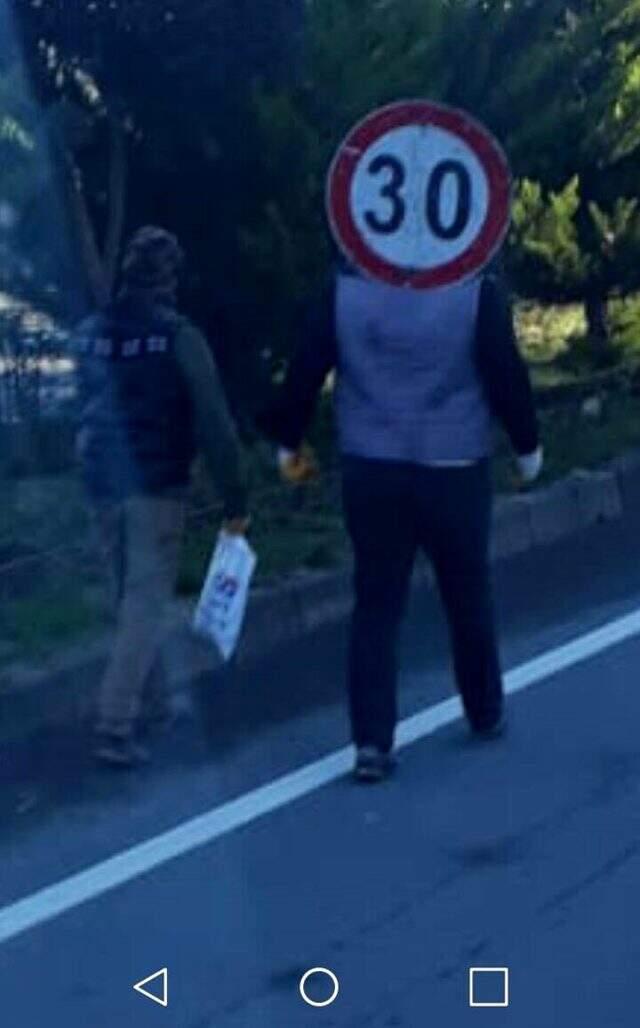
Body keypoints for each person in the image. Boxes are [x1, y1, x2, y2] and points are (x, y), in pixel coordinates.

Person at [260, 262, 542, 783]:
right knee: (467, 593)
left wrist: (287, 436)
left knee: (376, 603)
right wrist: (527, 443)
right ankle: (484, 709)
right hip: (454, 464)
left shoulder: (344, 290)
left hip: (371, 464)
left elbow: (305, 367)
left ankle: (371, 740)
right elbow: (505, 370)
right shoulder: (474, 292)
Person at [74, 226, 249, 767]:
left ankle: (152, 703)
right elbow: (215, 422)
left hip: (101, 484)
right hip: (157, 485)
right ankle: (115, 723)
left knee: (125, 596)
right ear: (171, 278)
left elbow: (82, 408)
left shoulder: (91, 333)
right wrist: (236, 495)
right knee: (144, 604)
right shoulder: (178, 337)